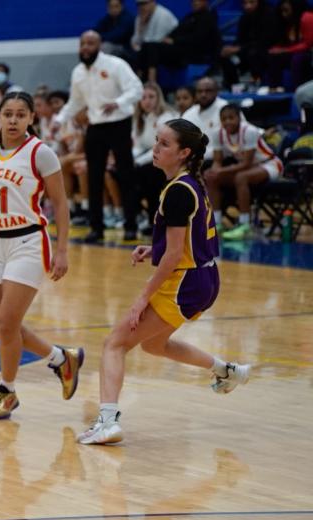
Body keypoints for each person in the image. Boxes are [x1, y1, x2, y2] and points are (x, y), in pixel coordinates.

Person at [78, 119, 250, 445]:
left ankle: (107, 421)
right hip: (205, 278)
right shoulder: (189, 183)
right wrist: (153, 249)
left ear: (184, 152)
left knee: (115, 344)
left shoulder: (178, 192)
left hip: (185, 281)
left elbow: (173, 256)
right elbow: (183, 241)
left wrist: (142, 298)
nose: (156, 149)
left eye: (164, 144)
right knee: (154, 344)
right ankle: (226, 371)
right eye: (156, 142)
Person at [0, 92, 84, 420]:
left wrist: (63, 249)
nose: (13, 120)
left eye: (20, 114)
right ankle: (60, 358)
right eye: (7, 114)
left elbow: (61, 203)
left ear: (30, 119)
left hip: (28, 242)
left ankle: (6, 391)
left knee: (8, 322)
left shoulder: (41, 153)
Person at [54, 30, 143, 243]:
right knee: (93, 176)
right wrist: (59, 120)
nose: (86, 47)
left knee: (125, 175)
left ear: (99, 45)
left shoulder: (116, 65)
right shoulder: (78, 72)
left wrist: (119, 103)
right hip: (95, 126)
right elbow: (75, 102)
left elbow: (137, 89)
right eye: (83, 43)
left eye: (91, 43)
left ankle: (131, 225)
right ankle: (96, 228)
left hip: (119, 123)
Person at [204, 104, 283, 239]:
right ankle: (216, 223)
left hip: (270, 164)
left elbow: (246, 164)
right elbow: (217, 161)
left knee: (241, 177)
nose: (227, 121)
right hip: (247, 168)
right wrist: (214, 172)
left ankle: (245, 225)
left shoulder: (249, 131)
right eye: (224, 119)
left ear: (239, 118)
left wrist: (221, 171)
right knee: (212, 178)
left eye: (231, 118)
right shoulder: (218, 133)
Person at [137, 0, 222, 84]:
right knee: (146, 46)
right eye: (193, 1)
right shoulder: (190, 17)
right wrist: (168, 38)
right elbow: (176, 31)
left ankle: (152, 83)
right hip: (179, 50)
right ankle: (141, 81)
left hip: (192, 53)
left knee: (152, 47)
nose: (195, 3)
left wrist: (175, 40)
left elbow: (198, 39)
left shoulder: (208, 17)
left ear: (206, 2)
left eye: (198, 0)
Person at [133, 82, 178, 229]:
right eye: (143, 97)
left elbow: (158, 146)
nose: (147, 101)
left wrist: (138, 162)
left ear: (159, 98)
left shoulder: (167, 116)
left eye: (151, 97)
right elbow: (138, 146)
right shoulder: (140, 119)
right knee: (123, 171)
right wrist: (131, 159)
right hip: (152, 159)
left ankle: (154, 219)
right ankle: (142, 215)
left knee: (145, 173)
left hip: (171, 159)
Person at [220, 0, 279, 88]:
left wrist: (240, 48)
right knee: (226, 57)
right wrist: (231, 49)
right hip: (245, 51)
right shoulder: (244, 18)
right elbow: (240, 40)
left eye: (251, 2)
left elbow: (265, 41)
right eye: (245, 3)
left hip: (265, 52)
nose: (248, 6)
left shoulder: (270, 15)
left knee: (254, 54)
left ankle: (257, 82)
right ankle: (234, 86)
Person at [267, 0, 313, 89]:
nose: (284, 14)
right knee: (274, 56)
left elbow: (308, 44)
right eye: (282, 11)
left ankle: (298, 89)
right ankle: (274, 88)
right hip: (296, 51)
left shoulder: (308, 17)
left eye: (286, 10)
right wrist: (277, 49)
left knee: (297, 59)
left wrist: (285, 50)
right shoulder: (287, 20)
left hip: (309, 53)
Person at [181, 77, 228, 155]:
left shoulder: (226, 109)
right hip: (193, 160)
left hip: (222, 159)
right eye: (200, 91)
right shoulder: (189, 113)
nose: (203, 94)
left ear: (216, 92)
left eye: (208, 91)